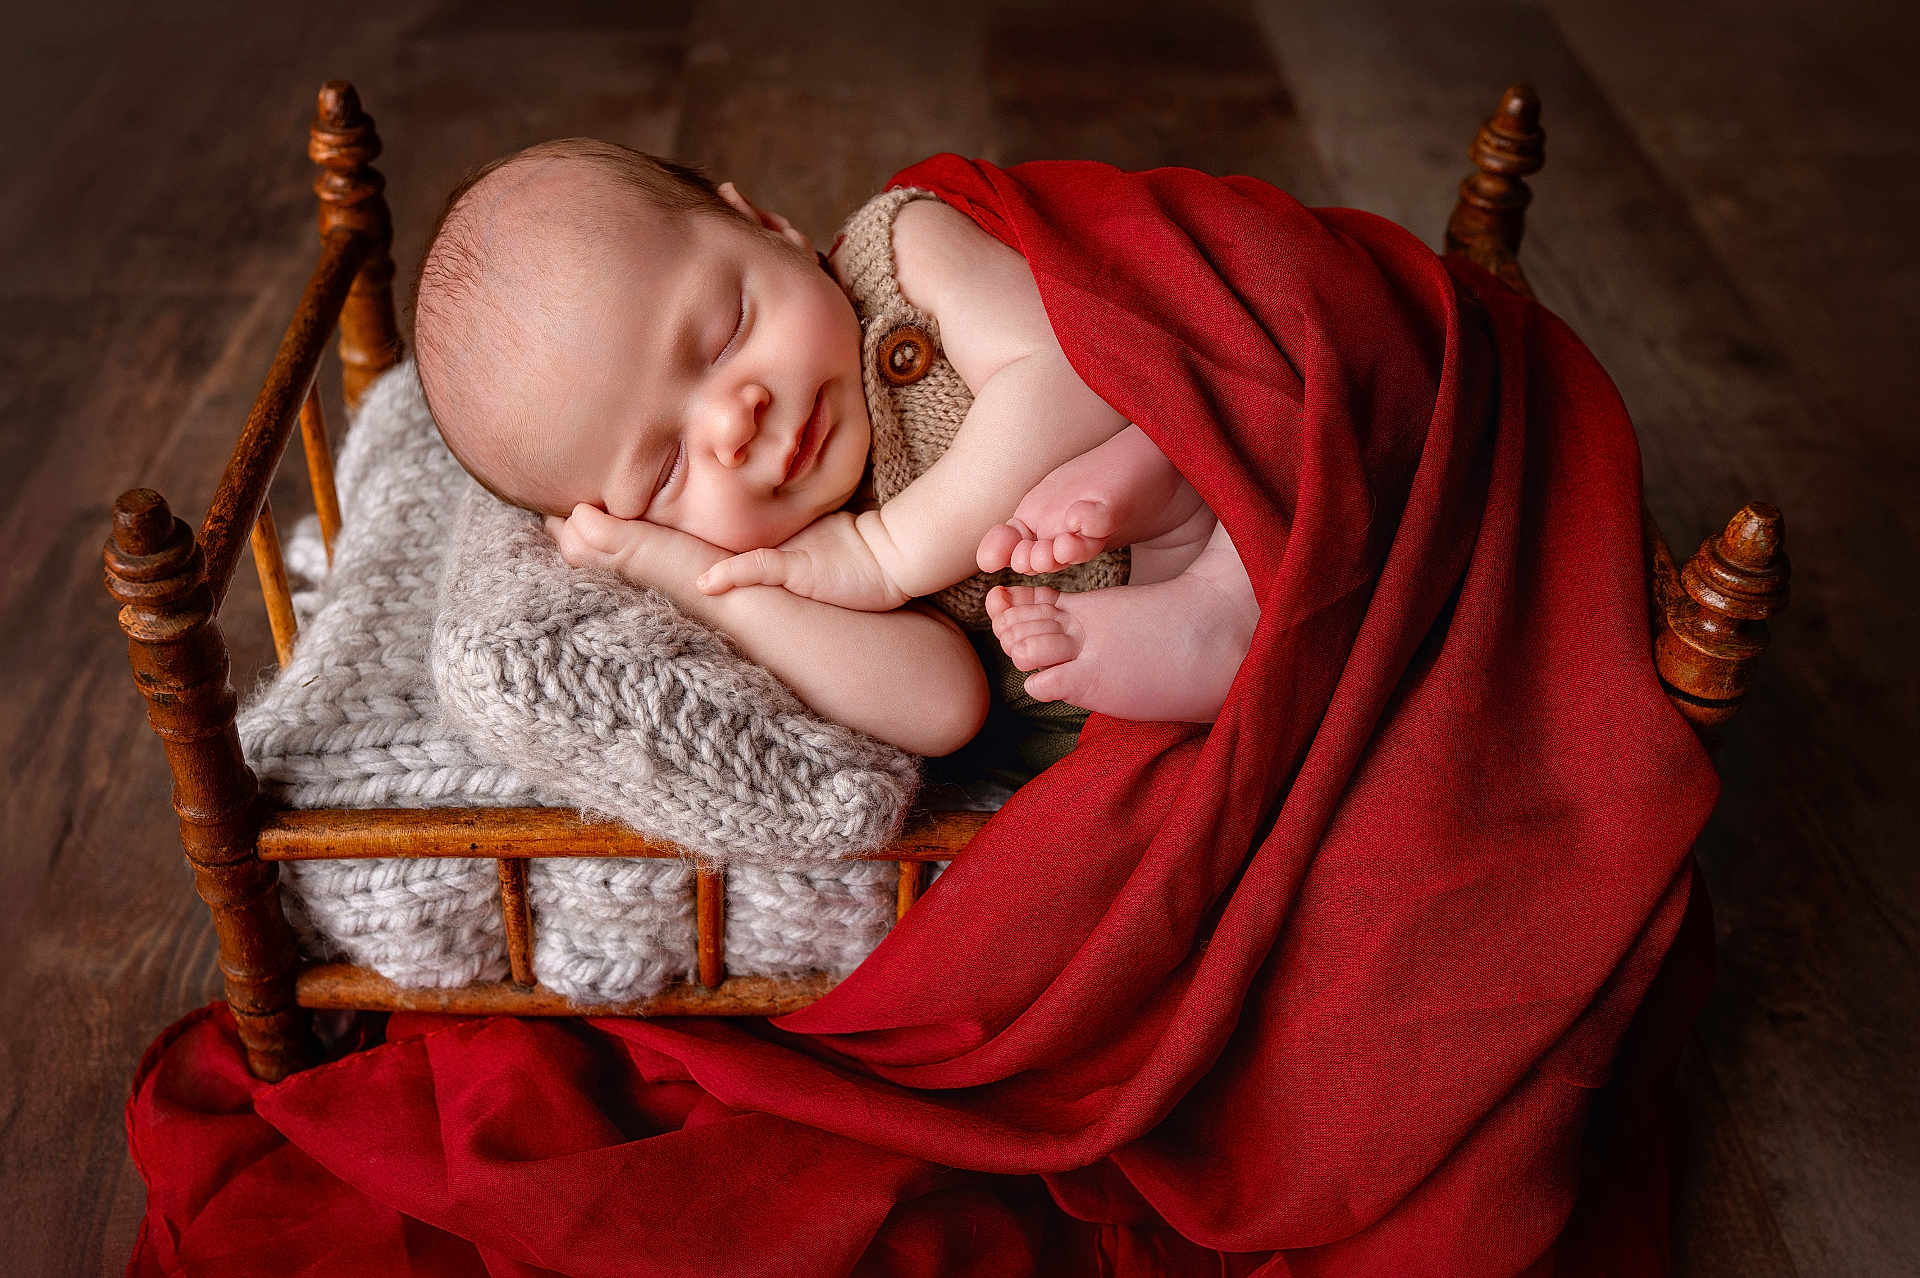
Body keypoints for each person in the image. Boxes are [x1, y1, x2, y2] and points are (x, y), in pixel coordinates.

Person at [412, 139, 1258, 760]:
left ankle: (1214, 574)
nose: (731, 424)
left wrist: (887, 552)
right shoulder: (784, 557)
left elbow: (1073, 370)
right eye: (667, 469)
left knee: (1187, 432)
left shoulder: (905, 254)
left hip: (1217, 466)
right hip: (1127, 712)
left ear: (768, 228)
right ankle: (1201, 628)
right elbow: (943, 705)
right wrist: (702, 589)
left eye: (724, 332)